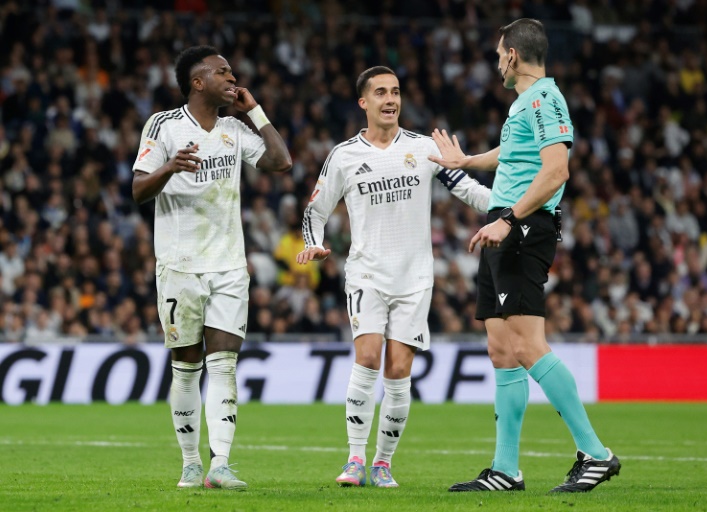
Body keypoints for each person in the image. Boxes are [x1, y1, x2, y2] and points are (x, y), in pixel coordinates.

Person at [428, 19, 621, 493]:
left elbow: (556, 171)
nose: (498, 63)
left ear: (512, 55)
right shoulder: (526, 103)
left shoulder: (544, 99)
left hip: (522, 226)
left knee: (528, 346)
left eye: (499, 54)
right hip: (505, 224)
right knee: (501, 350)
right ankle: (505, 469)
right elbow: (516, 154)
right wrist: (468, 162)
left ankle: (596, 453)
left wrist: (509, 220)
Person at [297, 66, 490, 488]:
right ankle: (354, 459)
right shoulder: (344, 155)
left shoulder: (423, 148)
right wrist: (314, 242)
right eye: (381, 92)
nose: (391, 100)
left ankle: (382, 463)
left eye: (396, 92)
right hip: (367, 273)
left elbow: (469, 189)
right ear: (363, 102)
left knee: (399, 370)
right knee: (367, 357)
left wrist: (513, 207)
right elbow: (316, 209)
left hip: (414, 278)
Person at [132, 45, 291, 490]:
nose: (232, 78)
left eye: (233, 72)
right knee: (186, 365)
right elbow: (139, 190)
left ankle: (220, 464)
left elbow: (281, 162)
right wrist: (170, 167)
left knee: (223, 365)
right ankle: (190, 462)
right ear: (197, 82)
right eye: (222, 72)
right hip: (180, 265)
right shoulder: (164, 125)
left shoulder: (233, 130)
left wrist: (255, 111)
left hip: (228, 265)